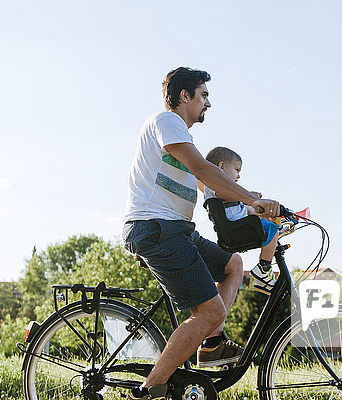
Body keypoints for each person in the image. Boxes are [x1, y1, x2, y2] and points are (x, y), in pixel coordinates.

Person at [122, 67, 279, 399]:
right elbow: (204, 169)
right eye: (203, 95)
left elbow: (212, 185)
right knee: (209, 311)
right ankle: (149, 391)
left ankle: (210, 344)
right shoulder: (167, 122)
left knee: (233, 264)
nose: (208, 102)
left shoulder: (179, 137)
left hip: (176, 230)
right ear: (185, 96)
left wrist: (253, 204)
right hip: (157, 229)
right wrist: (253, 199)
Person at [203, 146, 279, 295]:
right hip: (236, 228)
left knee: (267, 222)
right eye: (237, 170)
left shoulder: (224, 190)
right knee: (272, 229)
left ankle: (277, 227)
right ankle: (264, 269)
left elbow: (245, 208)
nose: (239, 176)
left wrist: (256, 206)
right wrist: (249, 196)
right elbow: (226, 195)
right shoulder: (214, 184)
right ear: (222, 166)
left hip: (241, 222)